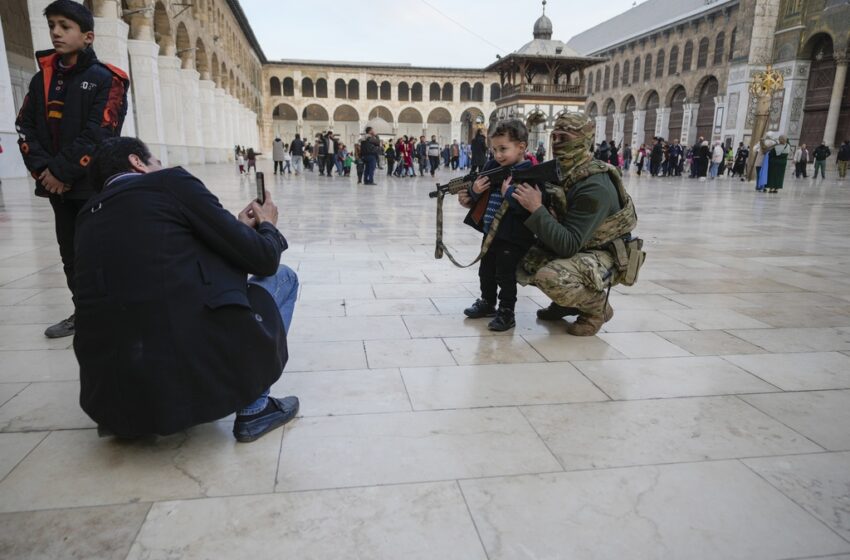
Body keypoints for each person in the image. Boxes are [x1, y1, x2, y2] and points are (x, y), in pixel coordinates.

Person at [77, 136, 300, 441]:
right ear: (137, 162)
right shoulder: (170, 183)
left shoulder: (87, 215)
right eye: (156, 161)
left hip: (112, 406)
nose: (161, 166)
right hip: (183, 371)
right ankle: (255, 408)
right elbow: (263, 260)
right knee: (284, 278)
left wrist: (235, 228)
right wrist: (269, 228)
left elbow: (167, 260)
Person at [461, 112, 643, 336]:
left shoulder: (595, 185)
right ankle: (566, 303)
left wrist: (535, 208)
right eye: (554, 138)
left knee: (549, 275)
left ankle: (597, 309)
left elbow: (568, 245)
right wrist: (473, 199)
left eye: (563, 138)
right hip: (578, 245)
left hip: (602, 252)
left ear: (583, 141)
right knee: (511, 256)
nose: (556, 144)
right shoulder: (561, 171)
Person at [15, 0, 129, 339]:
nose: (56, 32)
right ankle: (84, 314)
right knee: (71, 256)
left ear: (88, 36)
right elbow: (25, 129)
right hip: (56, 189)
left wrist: (62, 173)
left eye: (65, 26)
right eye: (52, 25)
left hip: (91, 184)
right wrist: (44, 173)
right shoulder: (41, 81)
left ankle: (115, 315)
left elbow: (100, 133)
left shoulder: (108, 80)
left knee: (101, 252)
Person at [460, 119, 546, 331]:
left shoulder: (531, 173)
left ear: (521, 147)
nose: (498, 155)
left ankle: (507, 312)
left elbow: (530, 209)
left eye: (503, 149)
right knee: (485, 270)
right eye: (494, 149)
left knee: (505, 274)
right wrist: (474, 192)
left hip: (514, 236)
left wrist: (509, 194)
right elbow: (476, 195)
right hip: (491, 233)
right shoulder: (492, 167)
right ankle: (488, 303)